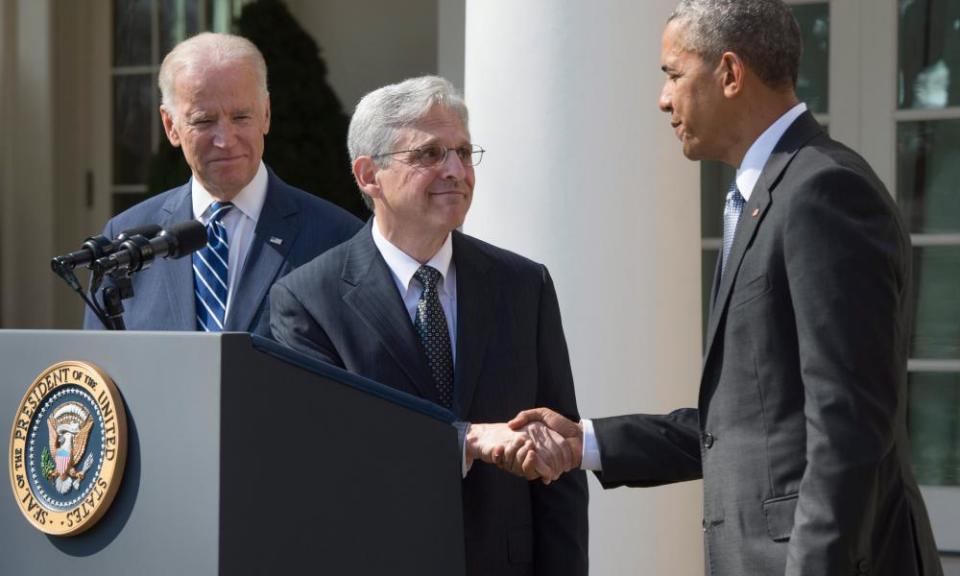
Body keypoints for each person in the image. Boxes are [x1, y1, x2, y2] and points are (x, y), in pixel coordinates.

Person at [508, 1, 943, 575]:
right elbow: (743, 427)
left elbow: (849, 426)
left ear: (731, 74)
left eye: (673, 74)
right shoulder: (767, 195)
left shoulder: (824, 192)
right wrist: (584, 442)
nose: (663, 99)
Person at [269, 76, 588, 576]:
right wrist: (464, 441)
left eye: (463, 151)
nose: (457, 171)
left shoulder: (523, 285)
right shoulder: (309, 299)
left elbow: (560, 467)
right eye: (430, 154)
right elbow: (328, 451)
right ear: (369, 175)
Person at [83, 33, 361, 335]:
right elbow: (99, 375)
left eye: (241, 116)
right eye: (204, 121)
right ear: (170, 126)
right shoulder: (124, 241)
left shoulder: (339, 239)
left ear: (266, 114)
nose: (225, 140)